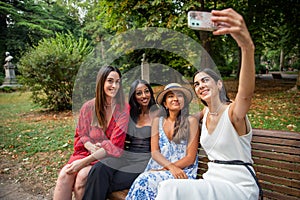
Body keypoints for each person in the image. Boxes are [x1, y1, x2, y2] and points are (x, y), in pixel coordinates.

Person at [155, 8, 260, 200]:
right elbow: (192, 117)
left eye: (205, 80)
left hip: (238, 186)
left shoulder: (233, 113)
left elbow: (245, 95)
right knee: (167, 186)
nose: (200, 85)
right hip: (211, 181)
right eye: (196, 83)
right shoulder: (206, 112)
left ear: (219, 84)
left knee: (170, 189)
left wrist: (247, 47)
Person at [53, 65, 130, 200]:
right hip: (87, 151)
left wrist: (83, 162)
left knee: (82, 177)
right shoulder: (88, 107)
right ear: (101, 82)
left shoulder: (123, 109)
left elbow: (115, 145)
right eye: (110, 81)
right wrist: (90, 146)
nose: (115, 86)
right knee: (65, 174)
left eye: (118, 82)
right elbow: (81, 134)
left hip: (109, 156)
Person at [82, 79, 158, 200]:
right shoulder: (131, 113)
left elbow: (179, 118)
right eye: (139, 93)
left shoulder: (158, 113)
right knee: (99, 169)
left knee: (105, 182)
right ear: (134, 96)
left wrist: (200, 114)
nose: (144, 96)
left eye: (146, 91)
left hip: (143, 162)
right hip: (125, 157)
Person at [125, 83, 199, 200]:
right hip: (158, 168)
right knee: (143, 180)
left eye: (179, 96)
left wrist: (171, 168)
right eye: (170, 96)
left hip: (182, 170)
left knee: (145, 180)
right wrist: (167, 167)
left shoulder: (191, 121)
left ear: (184, 101)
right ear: (165, 104)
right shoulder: (157, 121)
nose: (175, 98)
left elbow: (190, 158)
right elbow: (155, 152)